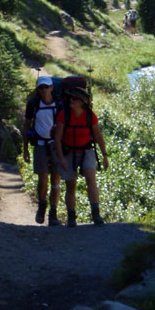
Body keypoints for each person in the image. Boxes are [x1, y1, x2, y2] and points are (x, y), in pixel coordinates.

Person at [53, 85, 109, 227]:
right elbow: (57, 138)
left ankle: (96, 214)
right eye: (70, 98)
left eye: (74, 98)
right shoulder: (63, 115)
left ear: (82, 101)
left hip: (86, 151)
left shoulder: (90, 116)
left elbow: (98, 136)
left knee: (91, 179)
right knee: (71, 185)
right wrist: (61, 158)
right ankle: (71, 216)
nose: (71, 100)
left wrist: (105, 155)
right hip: (68, 152)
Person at [22, 75, 61, 225]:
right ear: (38, 90)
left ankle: (53, 214)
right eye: (41, 88)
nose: (44, 90)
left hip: (56, 145)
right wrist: (25, 149)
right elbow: (26, 125)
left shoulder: (58, 103)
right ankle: (42, 205)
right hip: (39, 144)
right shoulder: (33, 104)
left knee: (56, 180)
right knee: (43, 178)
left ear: (51, 88)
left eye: (46, 87)